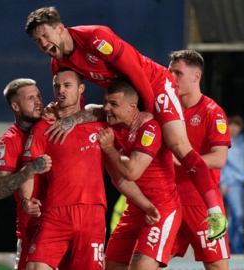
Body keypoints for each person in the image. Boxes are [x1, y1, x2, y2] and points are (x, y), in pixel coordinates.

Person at [24, 7, 227, 240]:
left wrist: (147, 115)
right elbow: (72, 101)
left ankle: (215, 213)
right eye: (38, 41)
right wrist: (56, 111)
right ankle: (143, 209)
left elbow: (136, 72)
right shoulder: (58, 64)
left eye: (46, 36)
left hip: (154, 85)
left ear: (61, 29)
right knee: (109, 151)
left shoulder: (96, 38)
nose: (43, 43)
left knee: (178, 145)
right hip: (122, 101)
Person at [21, 68, 158, 270]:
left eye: (67, 85)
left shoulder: (103, 128)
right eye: (57, 86)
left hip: (92, 216)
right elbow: (28, 169)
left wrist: (146, 205)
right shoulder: (44, 126)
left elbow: (119, 176)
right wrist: (26, 199)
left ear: (81, 89)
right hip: (56, 214)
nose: (61, 91)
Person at [97, 80, 181, 270]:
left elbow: (132, 172)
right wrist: (145, 205)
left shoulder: (150, 127)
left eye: (114, 104)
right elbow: (119, 179)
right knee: (111, 266)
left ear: (132, 107)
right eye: (105, 102)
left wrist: (109, 149)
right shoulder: (111, 130)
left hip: (162, 210)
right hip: (137, 209)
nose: (106, 108)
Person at [168, 50, 231, 269]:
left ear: (196, 76)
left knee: (216, 266)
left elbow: (219, 159)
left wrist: (184, 160)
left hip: (202, 203)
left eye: (178, 73)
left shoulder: (213, 112)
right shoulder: (166, 111)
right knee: (147, 261)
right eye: (170, 72)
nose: (172, 78)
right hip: (169, 200)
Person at [0, 78, 51, 270]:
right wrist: (30, 169)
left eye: (39, 96)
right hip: (32, 229)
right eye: (30, 98)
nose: (38, 102)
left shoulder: (55, 125)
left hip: (66, 224)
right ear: (16, 106)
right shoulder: (9, 142)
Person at [220, 115, 244, 254]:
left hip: (241, 184)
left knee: (239, 216)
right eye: (231, 125)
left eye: (236, 125)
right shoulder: (224, 142)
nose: (234, 128)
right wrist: (222, 183)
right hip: (229, 184)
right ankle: (232, 247)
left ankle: (235, 246)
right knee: (236, 215)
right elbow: (221, 164)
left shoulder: (242, 143)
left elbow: (242, 164)